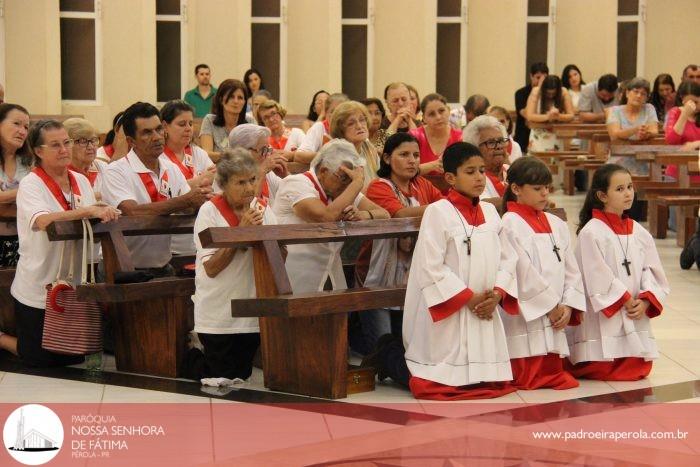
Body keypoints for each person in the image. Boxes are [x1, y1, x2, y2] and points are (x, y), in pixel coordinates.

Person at [372, 142, 518, 399]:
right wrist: (469, 298)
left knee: (485, 380)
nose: (479, 177)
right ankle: (387, 354)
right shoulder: (439, 212)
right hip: (454, 308)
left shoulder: (490, 212)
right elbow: (431, 266)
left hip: (485, 305)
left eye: (482, 170)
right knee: (435, 379)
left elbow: (508, 257)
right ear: (450, 178)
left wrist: (496, 294)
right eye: (470, 171)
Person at [0, 120, 120, 367]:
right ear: (38, 151)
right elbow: (43, 220)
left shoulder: (80, 180)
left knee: (72, 355)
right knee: (38, 357)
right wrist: (87, 211)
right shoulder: (32, 184)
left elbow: (88, 216)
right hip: (39, 283)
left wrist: (103, 211)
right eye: (55, 145)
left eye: (67, 142)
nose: (64, 149)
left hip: (72, 282)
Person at [182, 148, 276, 383]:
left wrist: (268, 239)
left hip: (250, 307)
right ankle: (188, 354)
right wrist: (240, 233)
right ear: (223, 184)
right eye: (240, 182)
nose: (249, 188)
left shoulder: (262, 208)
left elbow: (279, 258)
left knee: (240, 375)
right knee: (217, 375)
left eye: (253, 180)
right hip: (218, 307)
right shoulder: (209, 211)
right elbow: (212, 268)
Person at [567, 164, 669, 381]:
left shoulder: (639, 231)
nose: (628, 193)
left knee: (637, 365)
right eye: (620, 189)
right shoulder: (592, 232)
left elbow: (651, 270)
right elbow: (595, 274)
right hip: (607, 310)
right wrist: (624, 299)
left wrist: (645, 300)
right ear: (602, 195)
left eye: (630, 187)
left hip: (635, 306)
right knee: (604, 363)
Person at [500, 157, 585, 390]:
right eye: (537, 189)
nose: (544, 194)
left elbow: (571, 268)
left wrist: (567, 305)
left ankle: (552, 369)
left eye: (547, 188)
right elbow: (521, 271)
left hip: (557, 306)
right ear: (516, 189)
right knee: (527, 363)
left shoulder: (555, 223)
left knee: (553, 361)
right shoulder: (510, 223)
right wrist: (550, 306)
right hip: (528, 312)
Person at [354, 133, 443, 354]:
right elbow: (401, 214)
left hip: (412, 276)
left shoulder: (422, 184)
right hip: (377, 278)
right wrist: (443, 207)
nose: (412, 160)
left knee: (411, 345)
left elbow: (446, 208)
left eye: (415, 155)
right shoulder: (379, 186)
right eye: (404, 154)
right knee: (381, 348)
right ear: (386, 158)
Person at [101, 102, 212, 275]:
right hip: (123, 269)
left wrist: (202, 199)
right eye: (147, 132)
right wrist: (186, 200)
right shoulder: (115, 171)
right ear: (131, 141)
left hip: (163, 265)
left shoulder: (171, 169)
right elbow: (132, 212)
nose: (157, 137)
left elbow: (188, 205)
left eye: (159, 129)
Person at [272, 139, 388, 294]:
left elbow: (385, 214)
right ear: (323, 171)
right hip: (294, 280)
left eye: (351, 179)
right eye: (343, 177)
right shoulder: (295, 183)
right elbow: (325, 218)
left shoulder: (342, 189)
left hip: (332, 278)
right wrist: (357, 183)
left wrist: (363, 215)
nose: (348, 185)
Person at [161, 100, 217, 255]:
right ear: (165, 126)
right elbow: (169, 194)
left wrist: (191, 185)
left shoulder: (198, 152)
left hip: (201, 233)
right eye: (181, 124)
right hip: (172, 239)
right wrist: (200, 181)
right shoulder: (158, 156)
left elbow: (215, 182)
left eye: (191, 124)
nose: (188, 129)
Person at [667, 81, 700, 270]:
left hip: (698, 168)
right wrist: (685, 115)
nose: (693, 106)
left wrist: (696, 144)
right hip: (680, 172)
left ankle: (694, 241)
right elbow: (672, 139)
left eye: (696, 102)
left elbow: (690, 144)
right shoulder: (675, 113)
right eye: (688, 102)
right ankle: (691, 244)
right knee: (680, 222)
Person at [0, 103, 32, 266]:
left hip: (23, 241)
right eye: (16, 124)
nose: (22, 131)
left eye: (26, 127)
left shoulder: (28, 162)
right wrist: (27, 191)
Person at [607, 77, 658, 177]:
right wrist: (635, 129)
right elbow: (614, 134)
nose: (639, 96)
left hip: (644, 158)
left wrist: (646, 134)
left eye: (643, 94)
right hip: (619, 158)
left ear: (646, 97)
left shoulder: (649, 108)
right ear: (627, 93)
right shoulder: (615, 111)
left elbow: (654, 131)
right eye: (636, 92)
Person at [228, 124, 287, 206]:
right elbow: (247, 209)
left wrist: (285, 176)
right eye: (263, 150)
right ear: (243, 151)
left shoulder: (267, 173)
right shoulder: (228, 177)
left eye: (268, 149)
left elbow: (291, 197)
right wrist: (262, 172)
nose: (267, 155)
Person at [330, 101, 379, 189]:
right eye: (351, 123)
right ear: (341, 130)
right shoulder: (338, 156)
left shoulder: (369, 148)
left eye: (362, 120)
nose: (359, 126)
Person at [409, 93, 462, 175]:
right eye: (431, 114)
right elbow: (405, 171)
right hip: (420, 186)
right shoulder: (414, 136)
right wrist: (432, 165)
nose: (438, 117)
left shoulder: (459, 137)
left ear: (448, 110)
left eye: (441, 111)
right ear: (424, 118)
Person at [462, 115, 509, 204]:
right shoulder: (473, 176)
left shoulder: (512, 170)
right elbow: (484, 204)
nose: (499, 146)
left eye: (501, 141)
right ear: (475, 148)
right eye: (491, 142)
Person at [199, 79, 248, 159]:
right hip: (218, 169)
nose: (236, 101)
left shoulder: (250, 122)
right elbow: (206, 155)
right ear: (221, 100)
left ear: (244, 102)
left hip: (246, 170)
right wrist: (231, 156)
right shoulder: (209, 120)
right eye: (231, 97)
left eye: (240, 98)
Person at [525, 75, 575, 152]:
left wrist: (558, 116)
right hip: (538, 133)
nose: (550, 96)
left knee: (555, 161)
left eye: (553, 93)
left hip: (556, 134)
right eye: (548, 93)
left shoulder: (564, 92)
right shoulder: (536, 91)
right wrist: (548, 116)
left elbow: (571, 115)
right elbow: (529, 116)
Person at [295, 93, 349, 163]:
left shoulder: (353, 128)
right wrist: (326, 155)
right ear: (326, 113)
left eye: (341, 112)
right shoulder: (319, 127)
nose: (336, 115)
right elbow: (299, 156)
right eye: (333, 112)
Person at [63, 118, 108, 197]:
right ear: (68, 144)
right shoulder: (61, 174)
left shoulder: (104, 168)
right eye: (83, 141)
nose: (90, 146)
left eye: (93, 140)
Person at [515, 62, 548, 151]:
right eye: (538, 77)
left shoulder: (549, 94)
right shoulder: (520, 93)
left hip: (544, 136)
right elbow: (525, 114)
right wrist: (536, 92)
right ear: (531, 76)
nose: (541, 81)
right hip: (524, 137)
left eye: (544, 78)